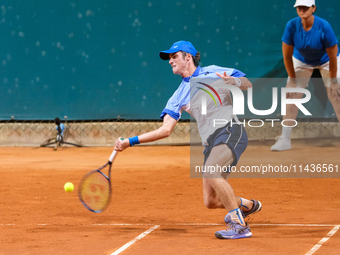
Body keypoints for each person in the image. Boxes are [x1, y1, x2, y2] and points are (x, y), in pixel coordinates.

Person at [114, 40, 262, 239]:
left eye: (174, 56)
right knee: (211, 201)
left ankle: (239, 225)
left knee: (211, 171)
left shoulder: (212, 71)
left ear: (188, 57)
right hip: (210, 142)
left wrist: (233, 81)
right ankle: (249, 206)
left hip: (230, 131)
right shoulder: (177, 96)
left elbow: (247, 84)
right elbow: (165, 130)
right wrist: (129, 141)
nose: (170, 61)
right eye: (169, 58)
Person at [271, 0, 340, 151]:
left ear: (313, 8)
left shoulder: (324, 26)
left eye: (306, 7)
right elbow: (287, 57)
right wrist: (294, 80)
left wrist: (334, 80)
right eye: (299, 7)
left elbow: (333, 56)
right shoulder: (291, 26)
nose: (302, 9)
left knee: (336, 95)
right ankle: (285, 139)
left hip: (327, 61)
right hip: (302, 61)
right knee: (291, 94)